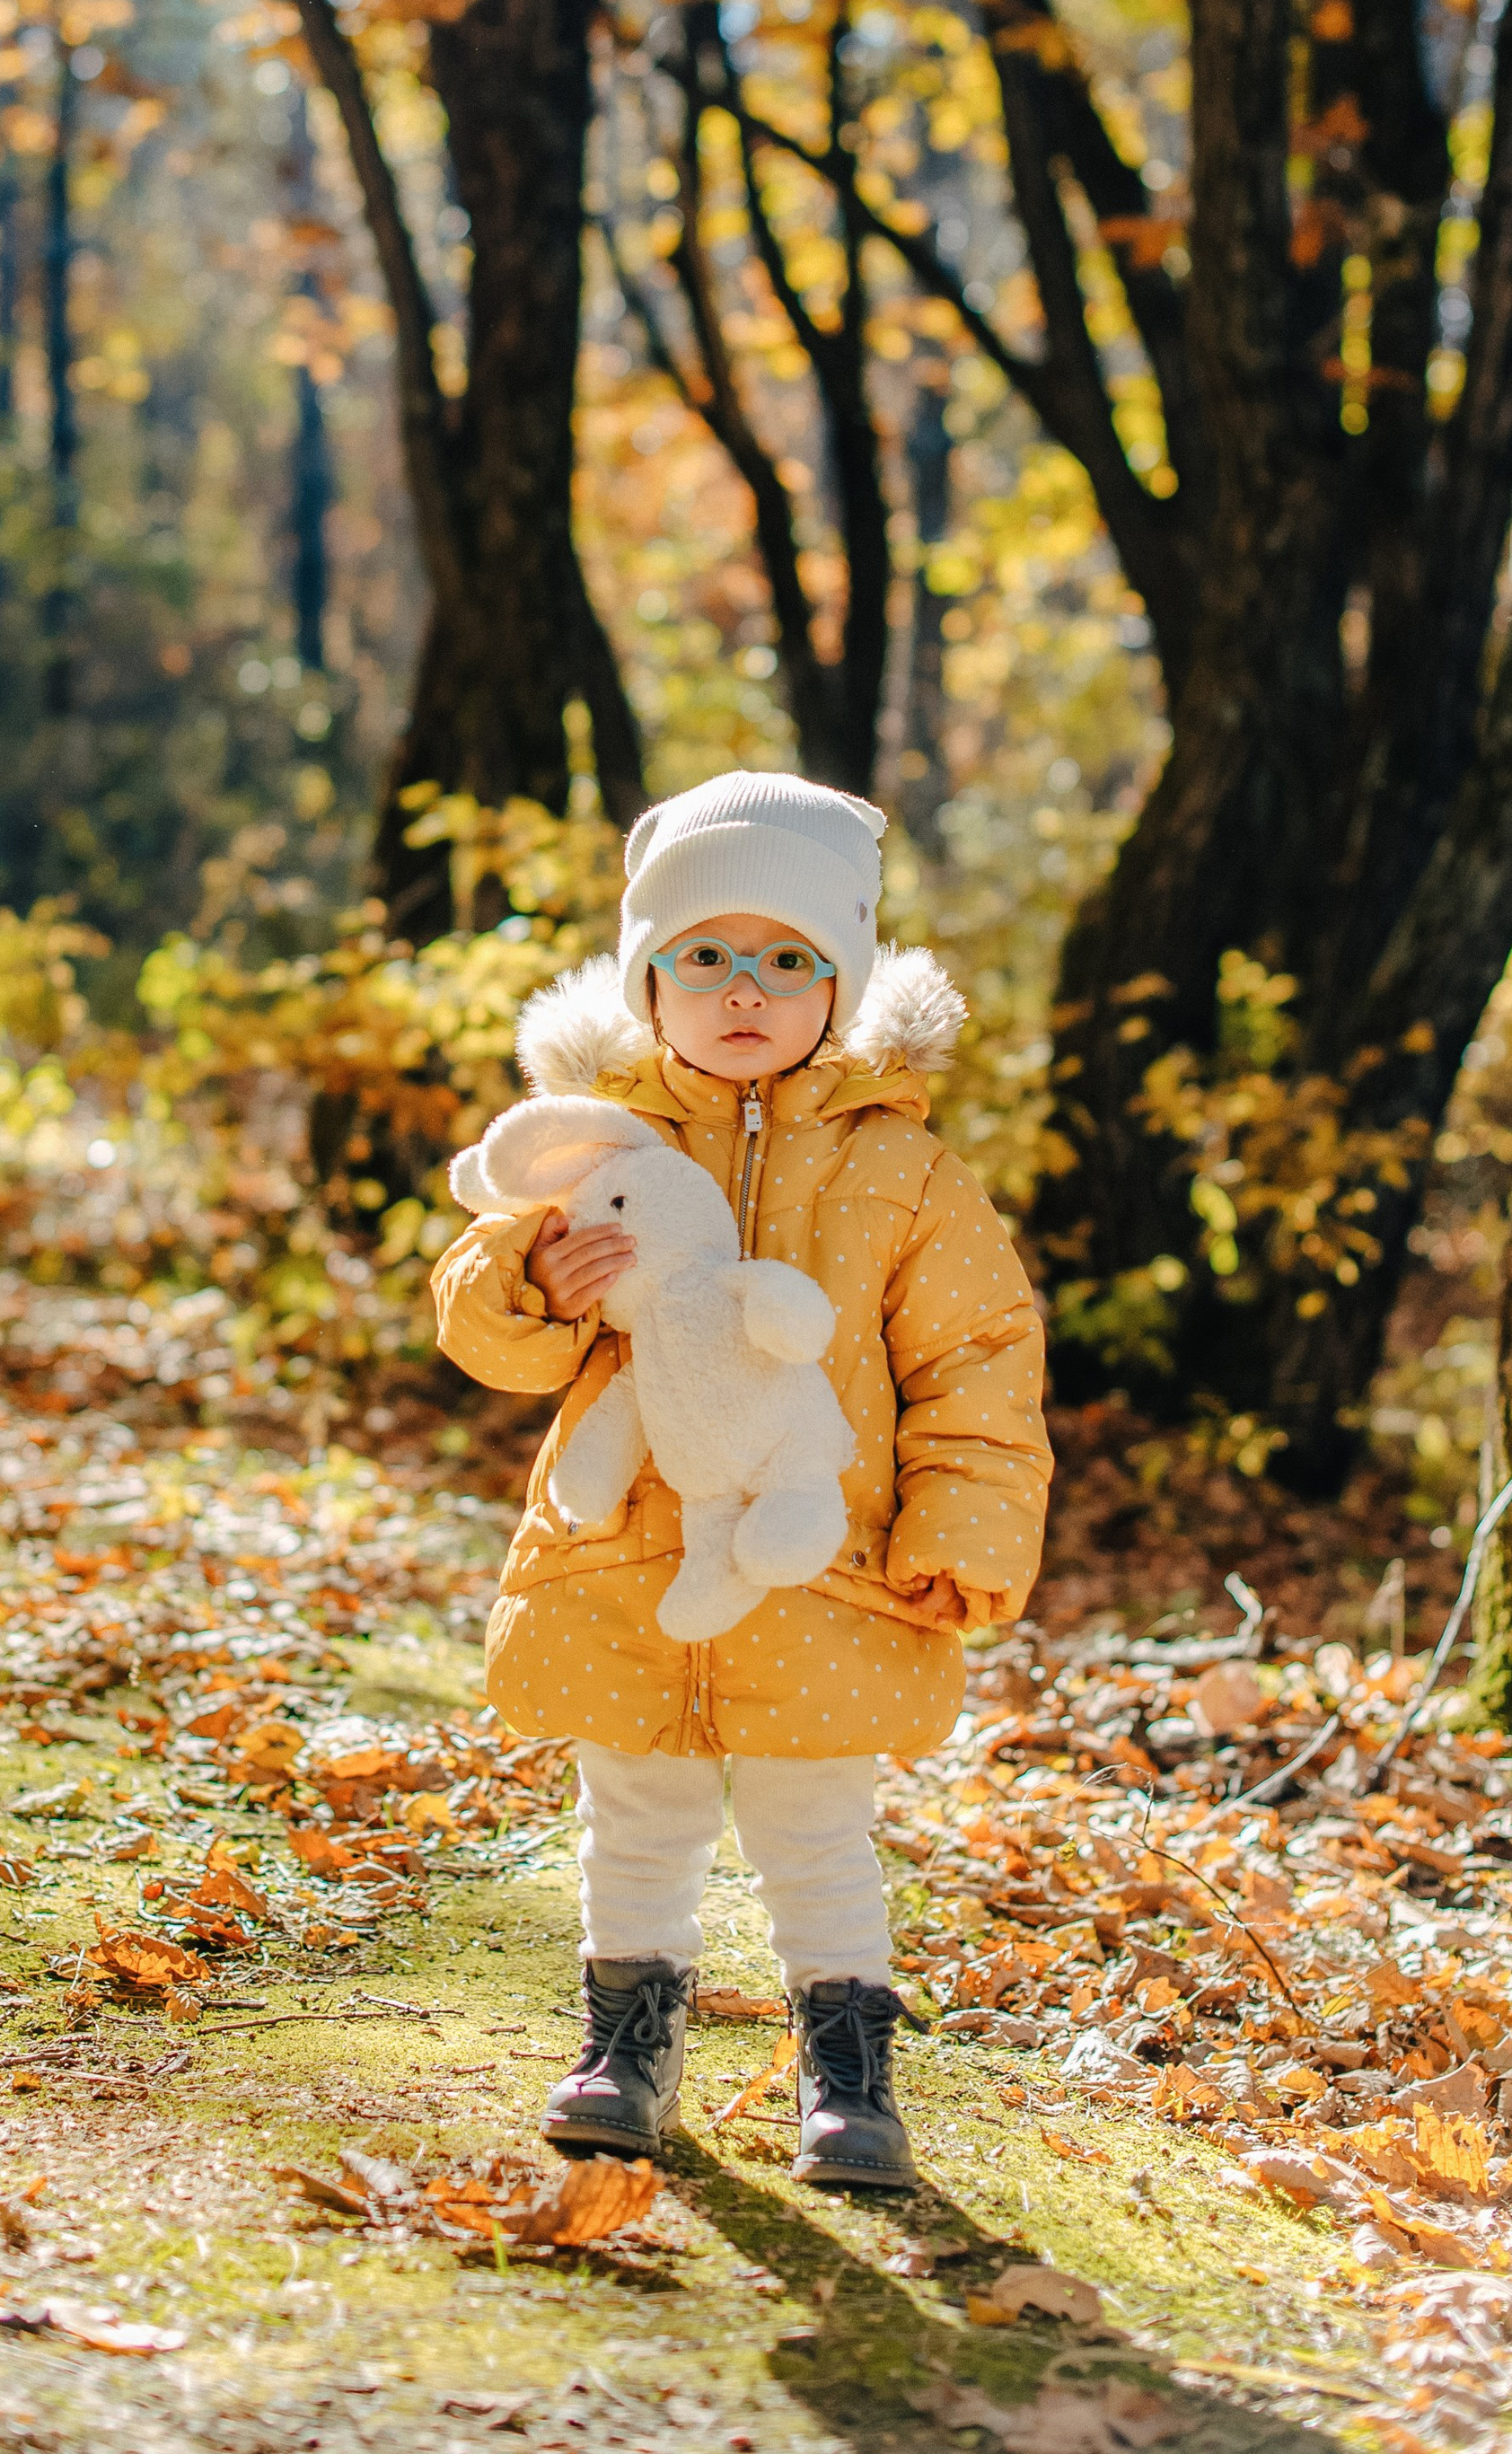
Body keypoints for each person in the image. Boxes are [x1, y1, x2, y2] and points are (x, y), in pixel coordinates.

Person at [431, 771, 1050, 2190]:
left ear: (844, 983)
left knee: (813, 1826)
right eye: (704, 956)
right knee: (636, 1812)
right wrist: (530, 1276)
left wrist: (964, 1528)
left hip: (824, 1559)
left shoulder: (903, 1168)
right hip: (631, 1560)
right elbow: (482, 1328)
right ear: (648, 982)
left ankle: (847, 2074)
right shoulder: (598, 1146)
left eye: (789, 958)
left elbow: (978, 1361)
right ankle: (624, 2046)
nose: (744, 990)